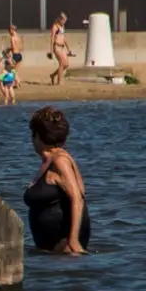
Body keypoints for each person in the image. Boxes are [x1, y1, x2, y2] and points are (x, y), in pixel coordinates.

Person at [23, 105, 88, 254]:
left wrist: (73, 240)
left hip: (64, 247)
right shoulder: (50, 161)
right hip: (51, 253)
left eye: (32, 134)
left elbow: (77, 198)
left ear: (37, 136)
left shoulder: (60, 161)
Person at [48, 13, 74, 85]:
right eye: (63, 20)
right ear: (60, 19)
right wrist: (51, 51)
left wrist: (68, 49)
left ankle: (53, 75)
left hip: (62, 47)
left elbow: (64, 38)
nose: (64, 22)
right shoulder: (55, 27)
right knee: (62, 63)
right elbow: (52, 39)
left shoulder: (62, 27)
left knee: (66, 64)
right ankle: (59, 81)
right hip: (57, 46)